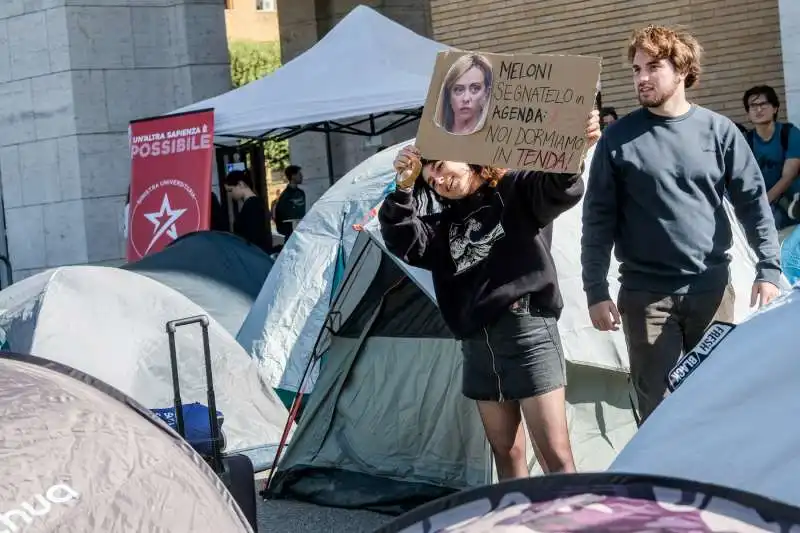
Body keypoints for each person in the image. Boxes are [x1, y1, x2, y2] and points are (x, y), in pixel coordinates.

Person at [378, 111, 602, 478]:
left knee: (555, 457)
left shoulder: (515, 189)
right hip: (476, 344)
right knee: (506, 452)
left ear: (469, 155)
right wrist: (403, 188)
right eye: (428, 176)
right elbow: (404, 240)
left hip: (527, 330)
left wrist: (573, 149)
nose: (436, 178)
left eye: (438, 165)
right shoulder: (440, 225)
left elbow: (558, 188)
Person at [581, 24, 783, 424]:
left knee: (720, 403)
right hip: (646, 299)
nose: (640, 77)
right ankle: (662, 487)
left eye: (652, 67)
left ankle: (717, 482)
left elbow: (754, 205)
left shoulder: (720, 131)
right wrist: (595, 289)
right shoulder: (616, 139)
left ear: (682, 69)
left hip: (713, 293)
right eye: (636, 69)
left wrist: (769, 268)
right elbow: (597, 220)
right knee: (659, 412)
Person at [741, 85, 800, 229]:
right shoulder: (746, 141)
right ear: (748, 114)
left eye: (763, 104)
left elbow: (789, 176)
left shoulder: (789, 133)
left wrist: (763, 203)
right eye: (753, 106)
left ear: (775, 109)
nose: (758, 109)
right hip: (767, 207)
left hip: (792, 202)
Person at [434, 54, 493, 136]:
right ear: (448, 95)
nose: (466, 98)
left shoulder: (493, 140)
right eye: (459, 90)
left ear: (486, 93)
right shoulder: (432, 138)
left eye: (475, 88)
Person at [223, 170, 273, 254]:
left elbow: (253, 236)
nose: (230, 194)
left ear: (240, 184)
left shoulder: (252, 205)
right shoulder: (254, 203)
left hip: (255, 254)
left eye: (230, 190)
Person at [273, 165, 306, 239]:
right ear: (293, 176)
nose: (302, 176)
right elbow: (280, 216)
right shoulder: (285, 196)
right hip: (291, 235)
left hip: (301, 231)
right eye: (299, 174)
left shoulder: (301, 193)